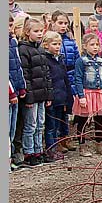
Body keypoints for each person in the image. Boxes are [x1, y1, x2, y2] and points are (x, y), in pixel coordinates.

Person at [19, 18, 53, 167]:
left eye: (41, 31)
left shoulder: (40, 49)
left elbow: (46, 74)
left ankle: (39, 150)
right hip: (32, 95)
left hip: (42, 94)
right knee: (30, 125)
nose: (40, 34)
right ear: (28, 32)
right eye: (36, 31)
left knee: (40, 124)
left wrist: (48, 94)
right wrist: (29, 97)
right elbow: (25, 75)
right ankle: (29, 152)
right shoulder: (24, 49)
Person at [73, 33, 102, 157]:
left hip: (99, 93)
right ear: (85, 46)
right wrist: (81, 96)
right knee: (83, 120)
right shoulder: (81, 61)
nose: (95, 47)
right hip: (87, 93)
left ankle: (99, 144)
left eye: (97, 44)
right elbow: (78, 78)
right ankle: (82, 146)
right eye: (92, 45)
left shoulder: (101, 61)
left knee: (99, 120)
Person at [51, 10, 80, 152]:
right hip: (56, 78)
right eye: (60, 23)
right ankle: (55, 140)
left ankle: (65, 138)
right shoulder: (50, 40)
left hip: (69, 76)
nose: (63, 26)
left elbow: (76, 60)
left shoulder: (70, 41)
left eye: (65, 23)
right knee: (56, 111)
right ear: (53, 23)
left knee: (67, 110)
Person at [42, 31, 73, 162]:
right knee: (51, 127)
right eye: (54, 44)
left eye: (59, 44)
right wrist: (49, 96)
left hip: (62, 97)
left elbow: (65, 79)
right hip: (52, 98)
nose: (57, 47)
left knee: (60, 124)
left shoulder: (60, 59)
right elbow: (47, 80)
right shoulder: (45, 60)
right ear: (46, 45)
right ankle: (50, 150)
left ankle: (57, 147)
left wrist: (68, 97)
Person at [9, 13, 27, 171]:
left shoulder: (12, 43)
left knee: (15, 127)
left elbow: (18, 69)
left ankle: (14, 155)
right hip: (10, 93)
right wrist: (12, 92)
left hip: (16, 90)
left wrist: (21, 87)